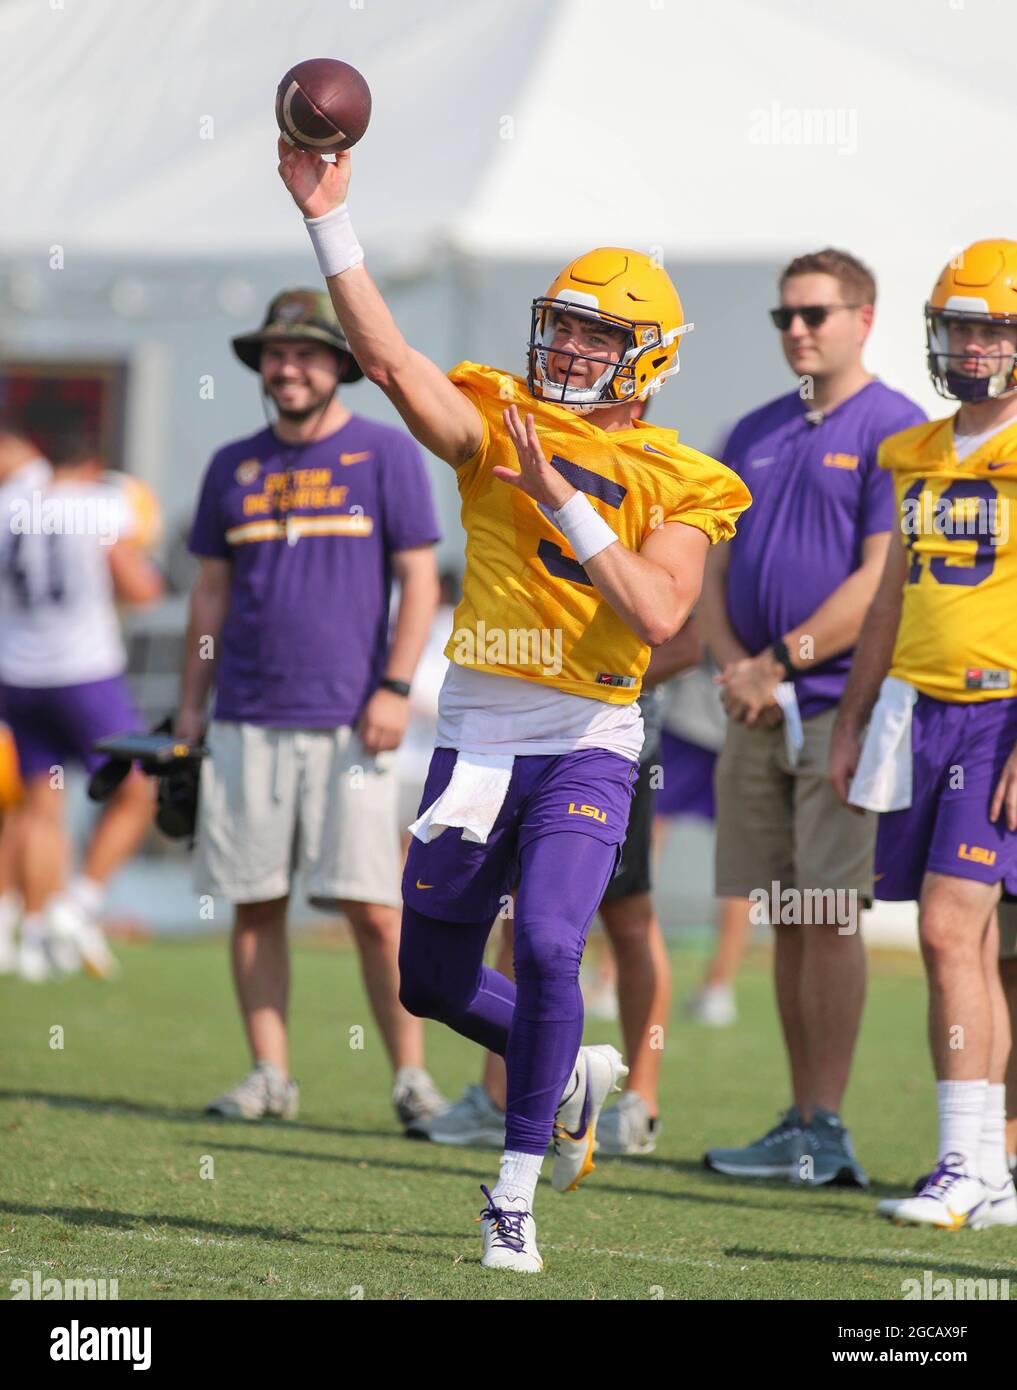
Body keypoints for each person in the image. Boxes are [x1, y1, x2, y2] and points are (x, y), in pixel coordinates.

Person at [277, 139, 751, 1273]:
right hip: (481, 734)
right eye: (565, 325)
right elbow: (391, 366)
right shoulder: (498, 415)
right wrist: (328, 222)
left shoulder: (685, 478)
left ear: (649, 359)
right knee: (429, 980)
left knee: (548, 943)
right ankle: (572, 1066)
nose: (572, 346)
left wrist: (561, 500)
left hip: (587, 736)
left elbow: (652, 611)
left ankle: (513, 1193)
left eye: (598, 333)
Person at [178, 288, 445, 1136]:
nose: (287, 368)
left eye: (306, 353)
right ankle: (269, 1074)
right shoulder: (232, 464)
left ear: (339, 366)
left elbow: (421, 583)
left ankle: (411, 1080)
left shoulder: (386, 455)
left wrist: (396, 689)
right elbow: (208, 595)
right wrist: (189, 711)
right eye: (276, 354)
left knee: (372, 908)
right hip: (246, 715)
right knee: (255, 902)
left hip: (351, 720)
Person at [699, 249, 925, 1186]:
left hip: (844, 710)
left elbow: (881, 578)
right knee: (786, 915)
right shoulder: (750, 428)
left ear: (863, 319)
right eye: (784, 316)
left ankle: (826, 1127)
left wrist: (778, 662)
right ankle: (798, 1121)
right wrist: (734, 669)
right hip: (753, 712)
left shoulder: (897, 428)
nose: (797, 329)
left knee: (827, 914)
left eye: (816, 314)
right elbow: (708, 570)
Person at [831, 239, 1017, 1228]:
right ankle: (987, 1168)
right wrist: (855, 714)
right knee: (969, 944)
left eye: (994, 326)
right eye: (962, 326)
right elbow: (892, 600)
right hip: (922, 710)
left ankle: (960, 1164)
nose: (976, 345)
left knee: (949, 929)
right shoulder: (915, 452)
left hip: (1002, 712)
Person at [0, 424, 162, 981]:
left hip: (17, 672)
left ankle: (40, 926)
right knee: (140, 786)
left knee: (40, 806)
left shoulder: (10, 504)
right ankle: (81, 902)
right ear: (92, 465)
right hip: (83, 672)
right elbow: (138, 590)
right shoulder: (100, 505)